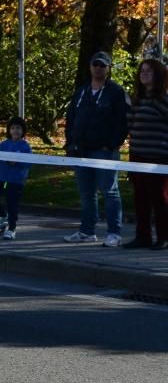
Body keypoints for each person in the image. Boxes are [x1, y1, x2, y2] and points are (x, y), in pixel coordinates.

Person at [63, 51, 130, 247]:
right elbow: (71, 118)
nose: (98, 68)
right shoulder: (82, 91)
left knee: (109, 191)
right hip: (81, 150)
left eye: (102, 65)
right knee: (86, 193)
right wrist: (70, 142)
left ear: (109, 68)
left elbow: (123, 122)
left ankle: (114, 233)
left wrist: (111, 144)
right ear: (90, 66)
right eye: (95, 64)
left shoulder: (116, 92)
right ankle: (87, 231)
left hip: (104, 151)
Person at [124, 58, 168, 249]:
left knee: (160, 199)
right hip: (137, 156)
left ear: (158, 75)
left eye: (149, 71)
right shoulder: (138, 99)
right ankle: (142, 236)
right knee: (140, 198)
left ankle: (164, 237)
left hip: (158, 157)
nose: (144, 74)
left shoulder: (164, 99)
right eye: (142, 71)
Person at [0, 116, 32, 240]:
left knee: (12, 204)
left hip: (16, 180)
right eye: (12, 128)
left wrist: (17, 162)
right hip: (1, 178)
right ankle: (3, 216)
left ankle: (12, 228)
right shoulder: (4, 144)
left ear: (23, 131)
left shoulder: (25, 147)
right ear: (9, 130)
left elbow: (29, 163)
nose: (15, 131)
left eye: (18, 128)